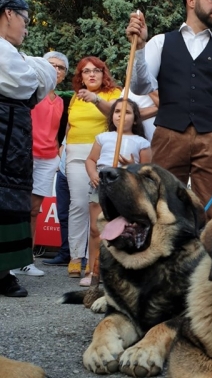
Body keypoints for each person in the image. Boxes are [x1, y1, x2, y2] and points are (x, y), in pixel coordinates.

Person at [126, 0, 212, 219]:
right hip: (169, 134)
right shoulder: (160, 42)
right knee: (161, 205)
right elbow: (140, 87)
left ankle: (210, 257)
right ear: (191, 1)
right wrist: (139, 49)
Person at [0, 0, 56, 297]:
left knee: (10, 203)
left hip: (14, 142)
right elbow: (27, 80)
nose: (26, 27)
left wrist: (34, 69)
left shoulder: (13, 55)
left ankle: (3, 273)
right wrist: (35, 70)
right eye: (24, 18)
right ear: (9, 13)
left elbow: (36, 80)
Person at [83, 98, 151, 286]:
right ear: (112, 115)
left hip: (125, 188)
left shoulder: (142, 142)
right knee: (96, 229)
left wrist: (132, 166)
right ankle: (92, 271)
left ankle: (118, 273)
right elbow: (90, 160)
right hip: (101, 184)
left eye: (127, 112)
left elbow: (146, 170)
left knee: (121, 231)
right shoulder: (103, 138)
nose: (121, 115)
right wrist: (93, 174)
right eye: (117, 111)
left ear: (135, 119)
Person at [12, 51, 68, 277]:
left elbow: (56, 133)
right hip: (26, 156)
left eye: (60, 67)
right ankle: (10, 258)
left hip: (48, 159)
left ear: (64, 74)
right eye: (51, 65)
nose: (55, 70)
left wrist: (57, 155)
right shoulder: (31, 92)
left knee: (34, 211)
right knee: (17, 209)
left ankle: (26, 259)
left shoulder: (62, 101)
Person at [66, 57, 121, 278]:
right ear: (80, 76)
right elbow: (70, 124)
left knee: (98, 209)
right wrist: (63, 148)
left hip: (100, 155)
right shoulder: (75, 98)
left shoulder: (113, 93)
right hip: (74, 154)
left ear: (103, 73)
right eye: (86, 71)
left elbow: (115, 115)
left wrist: (95, 99)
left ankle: (95, 262)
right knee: (78, 205)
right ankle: (75, 257)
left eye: (96, 70)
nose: (91, 75)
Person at [43, 140, 71, 266]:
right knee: (63, 215)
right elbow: (63, 146)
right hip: (63, 173)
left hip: (82, 172)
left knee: (82, 217)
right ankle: (65, 253)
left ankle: (81, 257)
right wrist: (61, 164)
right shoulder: (72, 124)